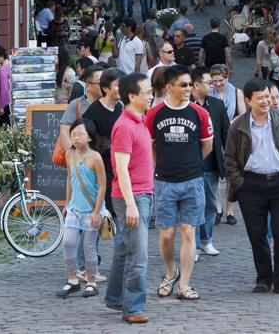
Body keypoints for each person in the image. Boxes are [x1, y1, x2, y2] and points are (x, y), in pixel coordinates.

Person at [224, 78, 279, 294]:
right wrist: (239, 184)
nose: (266, 101)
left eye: (267, 97)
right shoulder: (238, 126)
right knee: (256, 234)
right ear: (249, 100)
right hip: (251, 185)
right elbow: (229, 159)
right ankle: (264, 279)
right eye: (260, 98)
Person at [146, 65, 213, 302]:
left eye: (190, 85)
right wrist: (162, 165)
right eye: (183, 85)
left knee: (188, 231)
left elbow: (207, 146)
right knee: (166, 233)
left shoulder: (200, 113)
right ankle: (170, 272)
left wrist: (190, 164)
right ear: (169, 87)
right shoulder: (154, 114)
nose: (188, 89)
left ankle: (184, 283)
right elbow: (150, 146)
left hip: (193, 180)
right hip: (164, 181)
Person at [105, 73, 154, 324]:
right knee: (139, 254)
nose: (150, 94)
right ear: (132, 96)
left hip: (143, 193)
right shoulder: (124, 126)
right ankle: (133, 308)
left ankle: (115, 297)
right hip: (132, 196)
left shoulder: (140, 120)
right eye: (146, 91)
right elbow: (120, 169)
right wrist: (132, 204)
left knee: (125, 250)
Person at [58, 118, 106, 299]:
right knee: (68, 242)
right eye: (73, 134)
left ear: (90, 138)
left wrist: (97, 212)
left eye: (80, 134)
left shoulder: (95, 157)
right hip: (74, 208)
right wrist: (67, 203)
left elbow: (102, 185)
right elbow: (70, 179)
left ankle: (91, 281)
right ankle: (72, 280)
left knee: (88, 247)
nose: (76, 138)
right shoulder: (70, 154)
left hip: (91, 209)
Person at [191, 67, 230, 257]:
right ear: (196, 85)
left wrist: (230, 161)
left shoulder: (217, 105)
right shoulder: (186, 105)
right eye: (208, 82)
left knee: (210, 204)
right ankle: (194, 245)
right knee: (194, 206)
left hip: (213, 164)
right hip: (190, 165)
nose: (213, 85)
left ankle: (206, 241)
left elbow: (226, 135)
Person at [84, 67, 124, 216]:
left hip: (118, 168)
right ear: (106, 88)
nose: (122, 88)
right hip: (101, 170)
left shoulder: (120, 107)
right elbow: (87, 141)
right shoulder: (93, 111)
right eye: (118, 85)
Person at [209, 63, 246, 225]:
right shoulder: (209, 92)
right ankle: (217, 208)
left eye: (220, 80)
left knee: (231, 173)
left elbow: (243, 114)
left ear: (227, 77)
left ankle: (230, 210)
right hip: (213, 136)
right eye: (214, 81)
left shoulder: (236, 92)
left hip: (231, 135)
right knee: (215, 172)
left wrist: (228, 123)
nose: (217, 84)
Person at [59, 65, 104, 150]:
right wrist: (73, 156)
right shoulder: (76, 104)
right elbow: (64, 132)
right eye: (99, 83)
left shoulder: (114, 104)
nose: (104, 86)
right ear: (87, 86)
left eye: (105, 82)